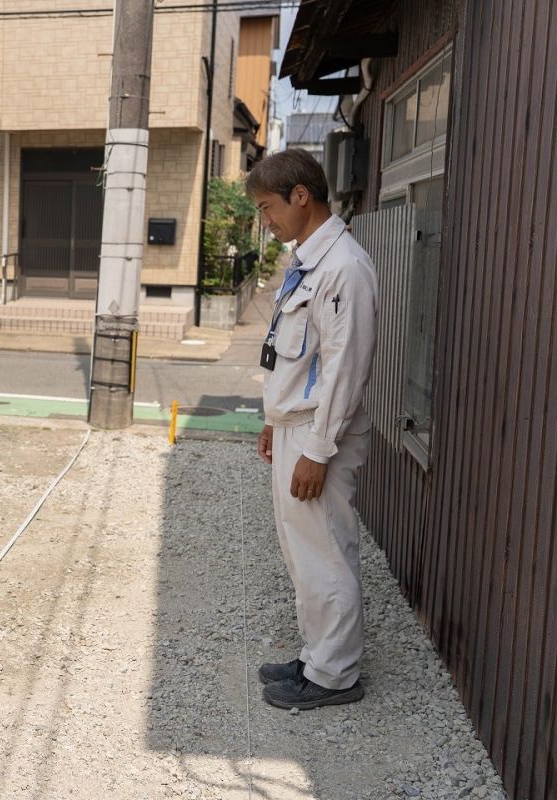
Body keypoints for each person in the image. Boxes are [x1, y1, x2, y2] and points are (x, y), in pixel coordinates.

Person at [248, 148, 378, 710]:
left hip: (319, 436)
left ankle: (334, 675)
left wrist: (319, 452)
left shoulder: (344, 267)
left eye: (267, 207)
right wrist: (276, 422)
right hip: (298, 430)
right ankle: (317, 653)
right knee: (304, 550)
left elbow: (346, 368)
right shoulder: (310, 262)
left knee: (324, 549)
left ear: (301, 195)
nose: (265, 220)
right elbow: (301, 360)